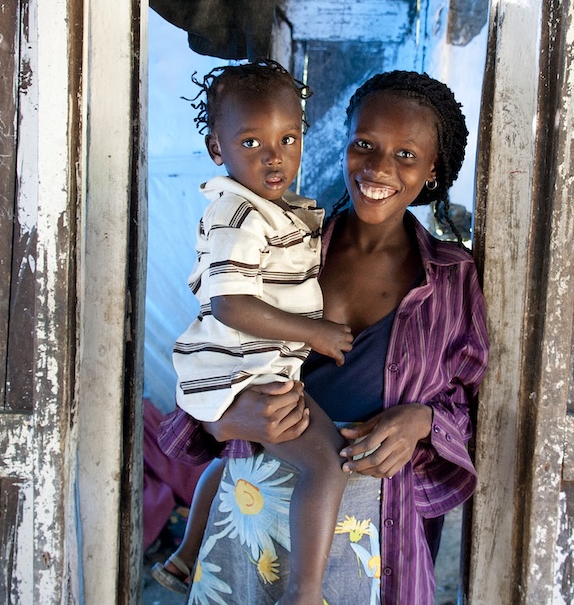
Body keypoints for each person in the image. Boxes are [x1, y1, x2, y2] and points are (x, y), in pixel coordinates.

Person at [160, 70, 489, 605]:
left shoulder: (454, 279)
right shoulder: (285, 246)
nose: (380, 168)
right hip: (255, 513)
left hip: (380, 527)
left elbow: (477, 408)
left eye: (406, 155)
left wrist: (423, 422)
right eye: (365, 144)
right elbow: (211, 353)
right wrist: (227, 418)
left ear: (433, 170)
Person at [150, 60, 356, 605]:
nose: (274, 156)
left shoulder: (276, 208)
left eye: (288, 138)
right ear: (218, 149)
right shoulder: (238, 213)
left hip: (247, 365)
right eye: (251, 141)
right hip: (244, 367)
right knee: (325, 461)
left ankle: (186, 553)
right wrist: (313, 331)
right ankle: (305, 592)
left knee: (240, 459)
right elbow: (232, 303)